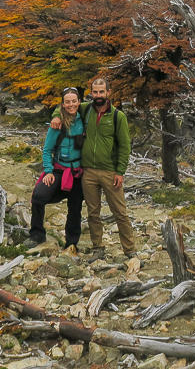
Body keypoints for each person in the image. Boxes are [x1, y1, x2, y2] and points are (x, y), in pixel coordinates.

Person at [53, 77, 136, 257]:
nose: (98, 95)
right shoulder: (85, 109)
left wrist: (120, 172)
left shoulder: (118, 117)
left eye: (101, 91)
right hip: (88, 171)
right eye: (95, 92)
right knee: (93, 213)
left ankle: (130, 251)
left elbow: (124, 146)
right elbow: (64, 106)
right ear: (90, 93)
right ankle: (97, 247)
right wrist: (56, 116)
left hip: (109, 172)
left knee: (120, 213)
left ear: (108, 92)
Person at [27, 87, 85, 249]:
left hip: (78, 173)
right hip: (59, 169)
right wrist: (48, 171)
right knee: (38, 197)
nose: (71, 104)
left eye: (74, 101)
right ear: (63, 104)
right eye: (68, 102)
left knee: (75, 208)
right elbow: (47, 150)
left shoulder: (85, 121)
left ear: (79, 102)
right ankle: (37, 235)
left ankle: (71, 243)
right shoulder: (57, 125)